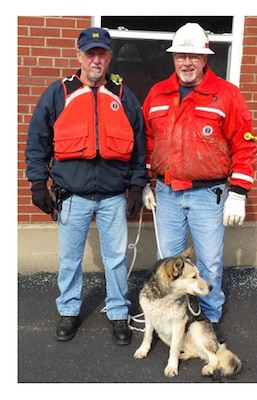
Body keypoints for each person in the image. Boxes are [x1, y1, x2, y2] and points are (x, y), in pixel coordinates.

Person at [25, 27, 147, 345]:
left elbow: (138, 146)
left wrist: (136, 187)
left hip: (111, 197)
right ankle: (69, 310)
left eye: (102, 53)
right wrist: (38, 183)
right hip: (72, 194)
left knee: (116, 258)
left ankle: (119, 313)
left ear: (109, 57)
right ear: (79, 55)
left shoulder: (123, 95)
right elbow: (37, 140)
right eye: (90, 53)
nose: (96, 59)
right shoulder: (59, 92)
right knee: (69, 258)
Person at [142, 23, 257, 336]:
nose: (187, 62)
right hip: (167, 192)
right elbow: (148, 141)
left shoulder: (226, 95)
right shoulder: (157, 94)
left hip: (209, 194)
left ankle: (208, 319)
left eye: (194, 56)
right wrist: (145, 182)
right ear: (174, 57)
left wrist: (239, 192)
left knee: (208, 263)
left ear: (205, 58)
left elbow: (245, 144)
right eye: (181, 55)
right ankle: (171, 320)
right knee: (168, 265)